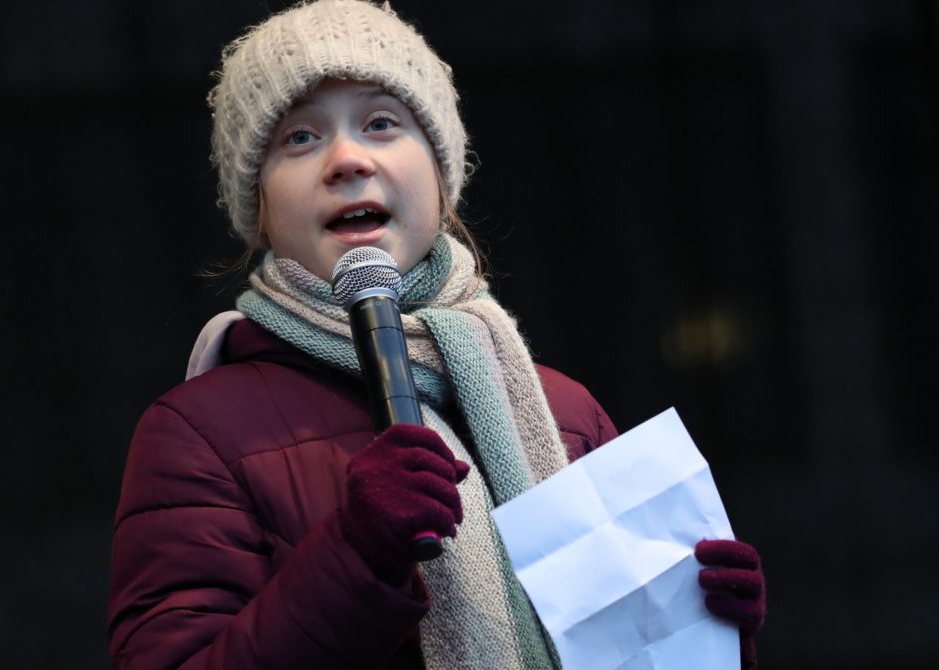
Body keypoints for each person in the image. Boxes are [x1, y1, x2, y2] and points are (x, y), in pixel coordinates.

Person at [107, 1, 766, 669]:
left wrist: (708, 632)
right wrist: (353, 555)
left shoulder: (564, 411)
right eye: (299, 138)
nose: (346, 159)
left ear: (441, 176)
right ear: (260, 209)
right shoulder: (199, 432)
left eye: (382, 123)